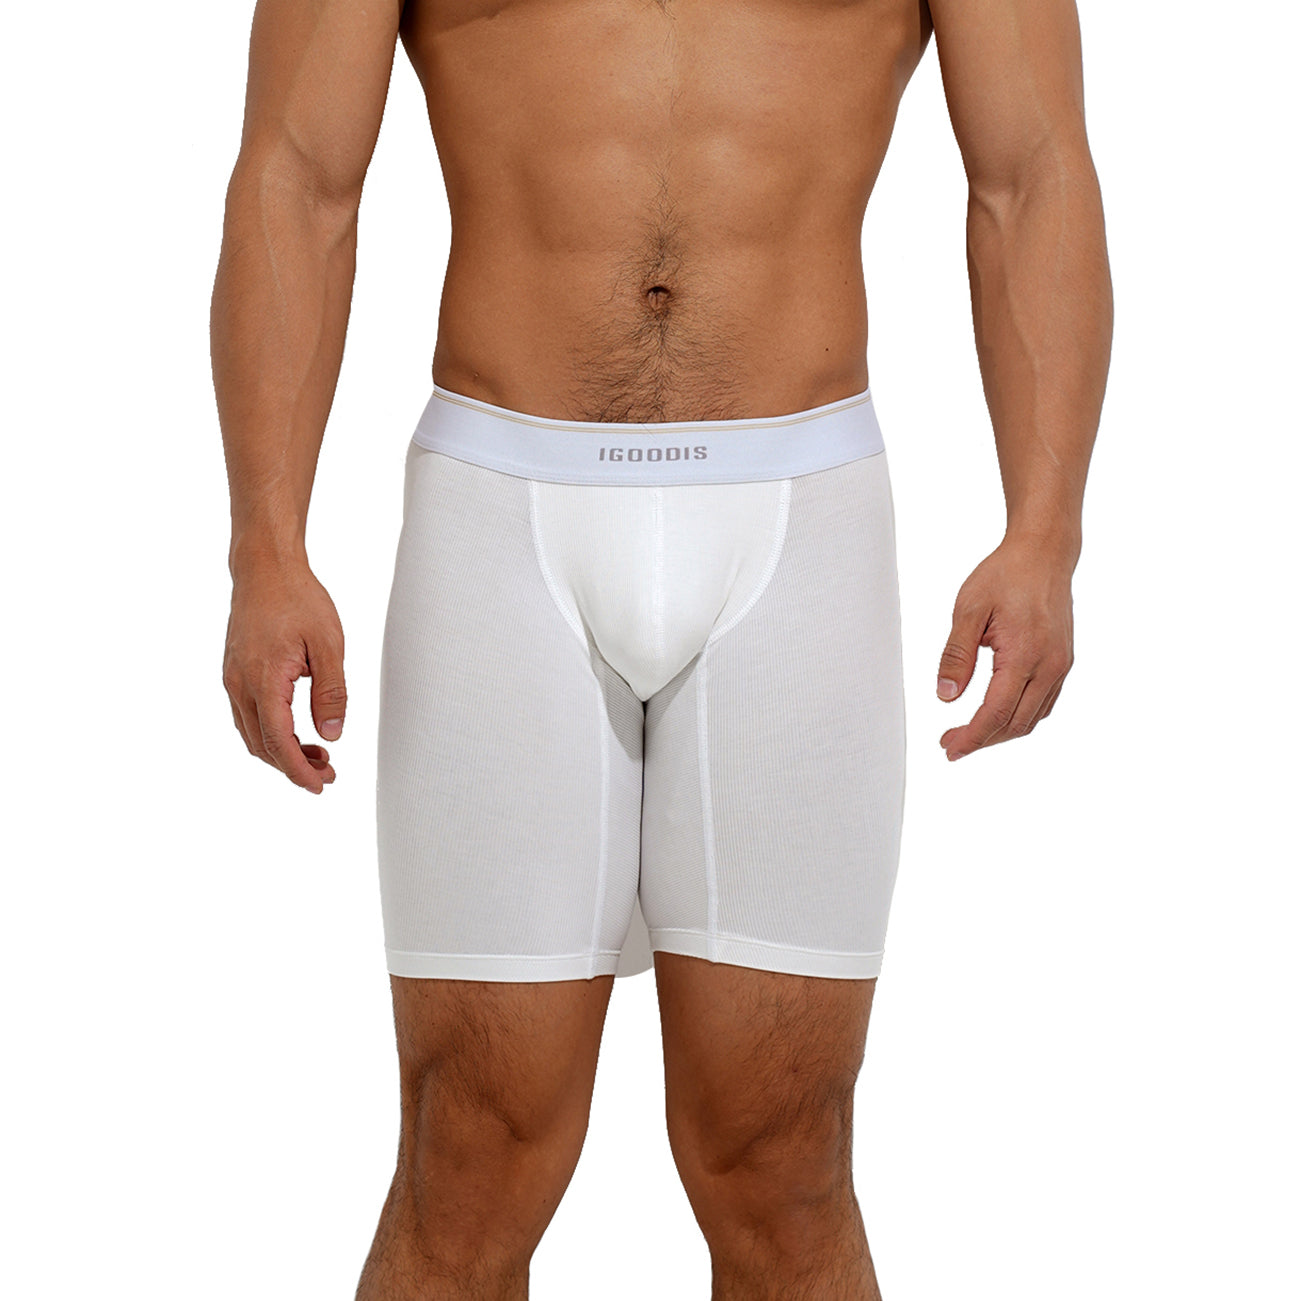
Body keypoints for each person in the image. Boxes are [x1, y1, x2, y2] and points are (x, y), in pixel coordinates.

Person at [212, 0, 1112, 1293]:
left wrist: (1045, 532)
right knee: (470, 1153)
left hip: (798, 517)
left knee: (783, 1165)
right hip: (501, 512)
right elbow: (296, 177)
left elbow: (1032, 171)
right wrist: (266, 547)